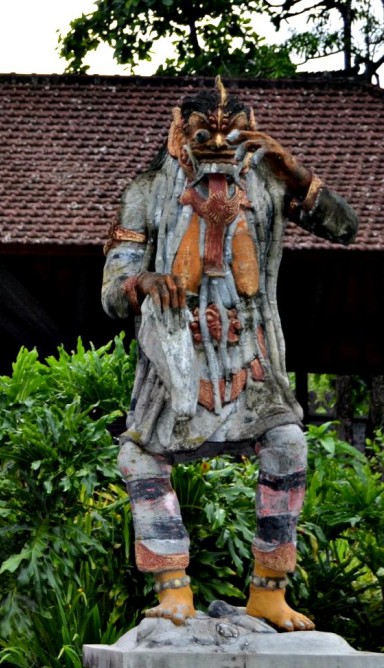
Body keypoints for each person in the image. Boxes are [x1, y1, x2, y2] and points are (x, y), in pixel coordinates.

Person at [101, 77, 358, 631]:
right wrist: (143, 281)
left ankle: (269, 590)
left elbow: (346, 227)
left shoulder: (266, 181)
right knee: (140, 456)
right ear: (179, 132)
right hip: (179, 356)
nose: (218, 145)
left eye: (231, 133)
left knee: (287, 443)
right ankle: (174, 588)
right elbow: (111, 290)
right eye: (203, 134)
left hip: (250, 348)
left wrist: (299, 175)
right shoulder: (147, 190)